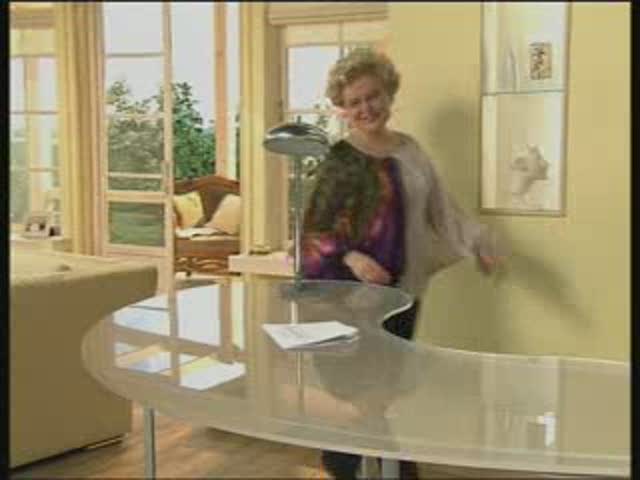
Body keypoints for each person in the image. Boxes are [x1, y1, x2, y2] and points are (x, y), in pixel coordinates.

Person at [301, 47, 505, 480]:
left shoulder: (411, 151)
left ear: (389, 94)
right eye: (354, 102)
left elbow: (442, 210)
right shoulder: (342, 159)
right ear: (343, 108)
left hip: (405, 293)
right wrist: (352, 256)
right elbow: (315, 230)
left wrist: (479, 243)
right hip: (353, 300)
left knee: (382, 395)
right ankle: (383, 469)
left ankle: (342, 460)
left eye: (373, 96)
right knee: (369, 397)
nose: (366, 108)